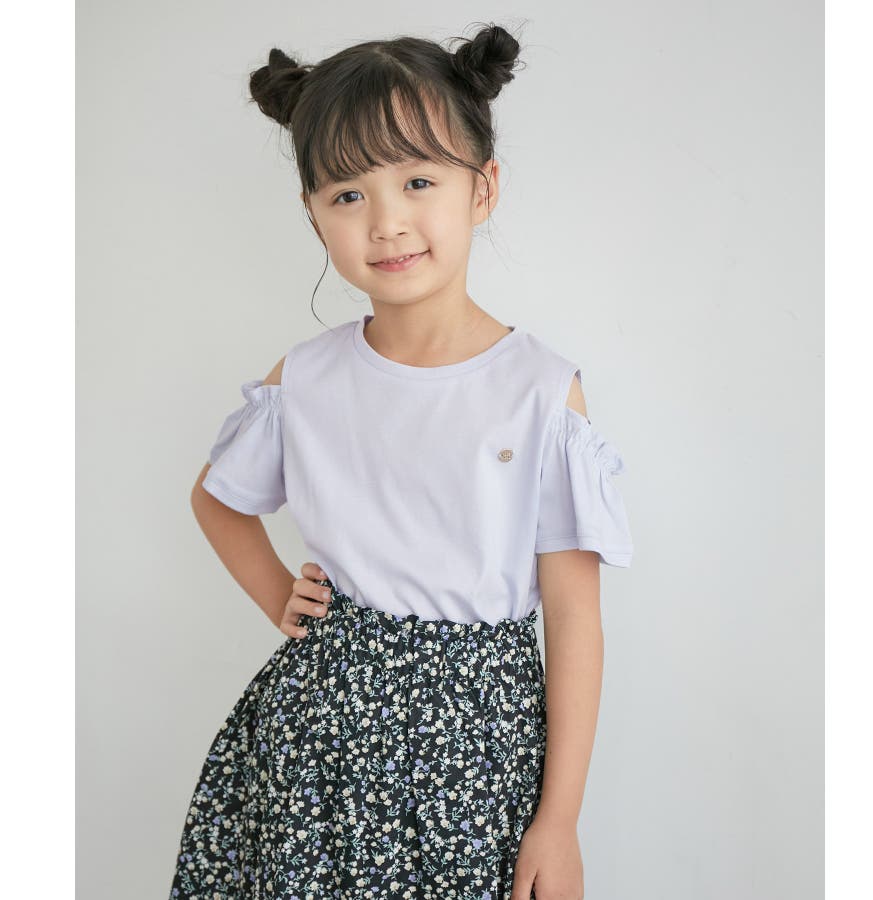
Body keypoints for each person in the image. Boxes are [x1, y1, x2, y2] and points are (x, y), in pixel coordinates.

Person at [168, 23, 634, 900]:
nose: (386, 223)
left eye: (418, 181)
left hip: (478, 760)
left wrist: (559, 821)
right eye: (348, 194)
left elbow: (575, 619)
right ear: (313, 212)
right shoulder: (307, 377)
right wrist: (280, 596)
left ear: (482, 188)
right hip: (315, 753)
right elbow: (217, 499)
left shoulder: (540, 391)